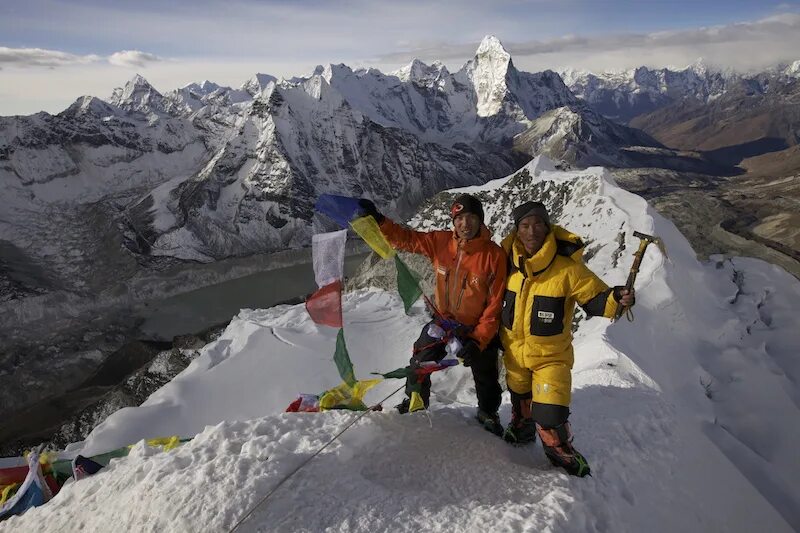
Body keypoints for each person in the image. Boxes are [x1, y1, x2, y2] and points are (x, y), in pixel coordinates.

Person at [499, 201, 635, 477]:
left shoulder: (567, 269)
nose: (531, 231)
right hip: (514, 354)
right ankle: (522, 425)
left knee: (549, 414)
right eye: (525, 225)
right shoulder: (506, 264)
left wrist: (617, 298)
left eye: (538, 224)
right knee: (519, 394)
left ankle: (558, 447)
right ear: (516, 231)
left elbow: (596, 298)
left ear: (548, 228)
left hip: (551, 357)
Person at [358, 194, 508, 435]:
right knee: (420, 359)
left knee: (486, 373)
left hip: (476, 327)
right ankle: (416, 402)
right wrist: (378, 220)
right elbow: (406, 239)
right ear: (453, 221)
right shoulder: (440, 242)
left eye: (471, 217)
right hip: (444, 322)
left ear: (481, 220)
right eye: (460, 218)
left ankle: (488, 412)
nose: (465, 224)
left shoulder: (494, 255)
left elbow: (494, 305)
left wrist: (478, 340)